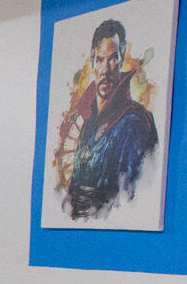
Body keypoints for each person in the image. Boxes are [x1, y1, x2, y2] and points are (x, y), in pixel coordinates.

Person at [55, 18, 159, 220]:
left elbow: (130, 201)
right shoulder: (86, 123)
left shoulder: (134, 123)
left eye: (112, 59)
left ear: (121, 60)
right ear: (93, 63)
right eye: (100, 60)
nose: (106, 69)